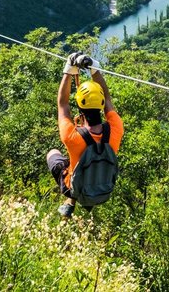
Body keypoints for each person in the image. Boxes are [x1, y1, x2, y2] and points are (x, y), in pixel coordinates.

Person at [46, 52, 124, 218]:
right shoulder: (115, 129)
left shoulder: (71, 136)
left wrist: (69, 68)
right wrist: (94, 68)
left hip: (75, 187)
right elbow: (108, 99)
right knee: (76, 161)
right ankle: (74, 200)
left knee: (54, 154)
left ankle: (71, 200)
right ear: (101, 103)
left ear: (80, 106)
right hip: (103, 187)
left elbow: (62, 104)